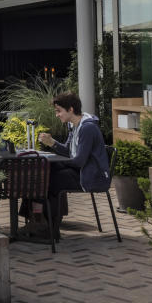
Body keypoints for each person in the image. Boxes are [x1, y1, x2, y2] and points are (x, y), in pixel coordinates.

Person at [34, 92, 112, 239]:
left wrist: (55, 160)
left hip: (91, 176)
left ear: (70, 109)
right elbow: (69, 152)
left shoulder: (87, 128)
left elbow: (79, 161)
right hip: (82, 171)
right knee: (43, 175)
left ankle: (51, 230)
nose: (57, 115)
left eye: (59, 111)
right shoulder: (74, 125)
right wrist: (52, 144)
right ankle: (39, 223)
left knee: (49, 183)